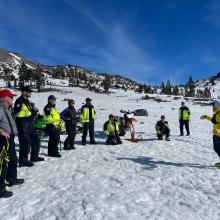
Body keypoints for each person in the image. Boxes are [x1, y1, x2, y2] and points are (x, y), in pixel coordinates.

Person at [0, 89, 24, 198]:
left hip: (10, 138)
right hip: (2, 140)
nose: (13, 99)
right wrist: (1, 131)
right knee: (2, 163)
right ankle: (0, 189)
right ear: (5, 98)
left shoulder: (7, 109)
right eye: (11, 97)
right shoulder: (0, 109)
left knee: (13, 159)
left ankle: (11, 179)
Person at [14, 86, 44, 167]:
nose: (30, 93)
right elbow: (17, 114)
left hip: (30, 124)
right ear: (23, 92)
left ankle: (34, 156)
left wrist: (35, 114)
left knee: (36, 140)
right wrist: (30, 113)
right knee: (25, 143)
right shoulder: (19, 101)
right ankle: (23, 161)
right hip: (23, 125)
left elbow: (30, 111)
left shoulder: (27, 101)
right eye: (29, 92)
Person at [201, 100, 220, 167]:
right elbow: (214, 120)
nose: (212, 107)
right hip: (216, 134)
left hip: (218, 134)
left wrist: (217, 131)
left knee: (218, 149)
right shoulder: (217, 113)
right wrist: (206, 117)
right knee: (216, 149)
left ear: (216, 105)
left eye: (213, 105)